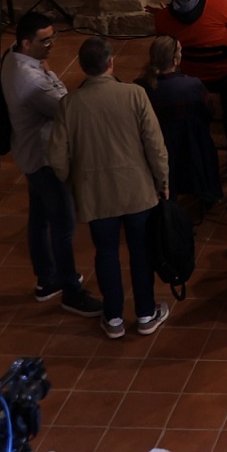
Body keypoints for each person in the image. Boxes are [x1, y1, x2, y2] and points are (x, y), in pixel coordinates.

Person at [52, 36, 170, 338]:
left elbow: (56, 158)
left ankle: (113, 317)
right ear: (111, 62)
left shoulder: (69, 104)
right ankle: (145, 314)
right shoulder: (134, 94)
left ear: (82, 66)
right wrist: (162, 182)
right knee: (140, 253)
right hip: (137, 190)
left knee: (105, 253)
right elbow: (155, 146)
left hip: (95, 194)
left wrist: (72, 182)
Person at [2, 13, 101, 315]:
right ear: (26, 42)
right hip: (44, 159)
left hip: (28, 152)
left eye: (53, 38)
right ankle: (70, 290)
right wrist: (54, 76)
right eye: (45, 41)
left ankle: (47, 280)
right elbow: (66, 108)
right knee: (64, 225)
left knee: (40, 219)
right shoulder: (31, 81)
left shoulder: (11, 56)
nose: (51, 46)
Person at [139, 35, 221, 219]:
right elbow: (209, 112)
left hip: (154, 149)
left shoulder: (141, 88)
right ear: (175, 59)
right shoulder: (192, 85)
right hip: (192, 150)